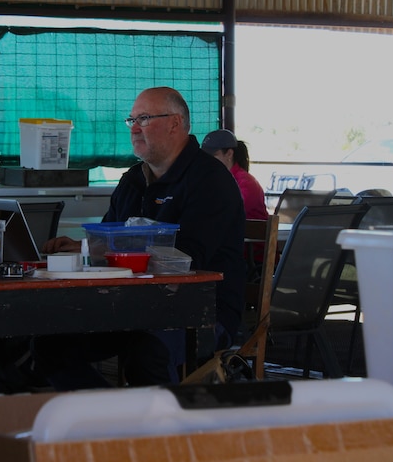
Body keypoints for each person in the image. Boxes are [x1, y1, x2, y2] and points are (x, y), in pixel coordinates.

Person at [34, 87, 246, 389]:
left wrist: (120, 248)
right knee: (51, 346)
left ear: (175, 123)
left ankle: (163, 431)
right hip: (131, 308)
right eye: (131, 120)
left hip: (201, 311)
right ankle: (113, 420)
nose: (134, 127)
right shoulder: (133, 179)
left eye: (144, 118)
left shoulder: (210, 180)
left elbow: (189, 259)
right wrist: (84, 247)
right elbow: (107, 240)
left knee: (147, 353)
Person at [201, 129, 268, 222]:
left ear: (229, 154)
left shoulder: (246, 183)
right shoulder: (213, 180)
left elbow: (229, 212)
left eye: (213, 155)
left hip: (249, 236)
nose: (207, 161)